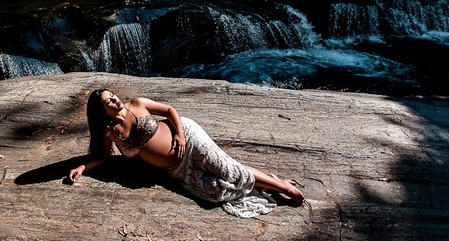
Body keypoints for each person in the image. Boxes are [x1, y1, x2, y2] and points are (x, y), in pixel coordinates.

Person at [68, 89, 304, 215]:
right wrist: (83, 167)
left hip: (189, 139)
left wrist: (180, 135)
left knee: (227, 170)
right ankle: (266, 181)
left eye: (113, 96)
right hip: (176, 170)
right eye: (108, 102)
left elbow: (169, 110)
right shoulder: (110, 132)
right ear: (102, 112)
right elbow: (105, 156)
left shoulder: (137, 104)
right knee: (214, 191)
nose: (115, 100)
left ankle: (283, 187)